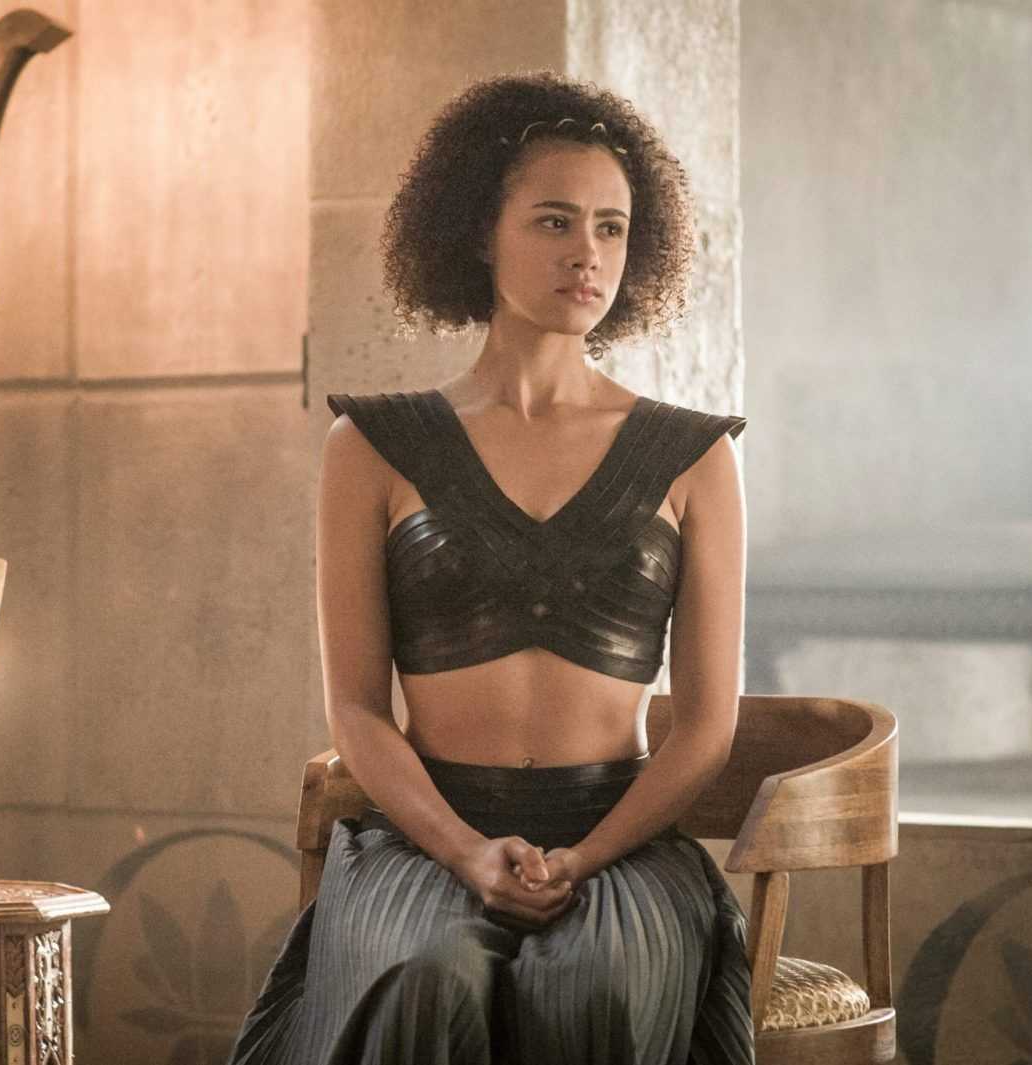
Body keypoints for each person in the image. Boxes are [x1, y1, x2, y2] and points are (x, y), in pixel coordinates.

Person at [227, 70, 753, 1064]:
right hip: (427, 835)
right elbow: (357, 709)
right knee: (428, 979)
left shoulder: (694, 457)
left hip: (619, 841)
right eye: (554, 221)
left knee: (595, 987)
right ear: (478, 232)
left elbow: (706, 727)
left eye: (610, 228)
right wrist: (466, 852)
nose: (587, 253)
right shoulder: (372, 447)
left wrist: (586, 857)